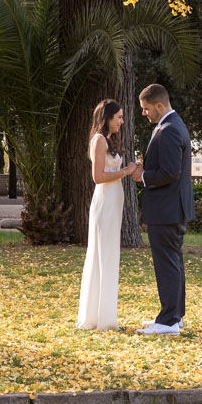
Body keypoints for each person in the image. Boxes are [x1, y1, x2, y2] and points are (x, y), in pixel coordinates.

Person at [130, 84, 193, 335]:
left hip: (166, 209)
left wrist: (143, 177)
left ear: (159, 105)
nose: (144, 113)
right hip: (172, 208)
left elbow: (169, 172)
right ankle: (175, 316)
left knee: (167, 264)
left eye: (146, 109)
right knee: (173, 262)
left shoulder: (168, 130)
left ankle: (167, 321)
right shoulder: (175, 125)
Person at [76, 99, 138, 330]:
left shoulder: (109, 140)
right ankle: (98, 317)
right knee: (102, 255)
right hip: (104, 204)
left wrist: (131, 169)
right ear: (108, 117)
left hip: (114, 204)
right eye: (119, 117)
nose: (122, 121)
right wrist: (125, 171)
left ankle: (105, 314)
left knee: (110, 255)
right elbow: (98, 177)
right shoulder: (98, 140)